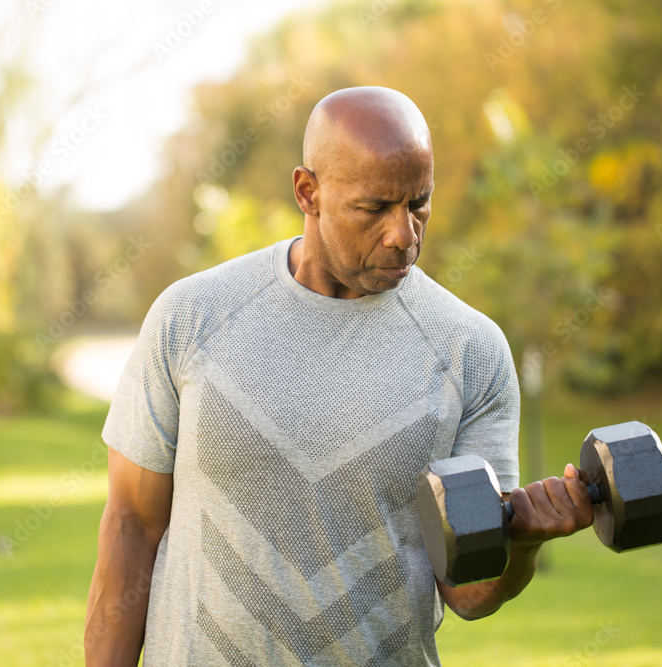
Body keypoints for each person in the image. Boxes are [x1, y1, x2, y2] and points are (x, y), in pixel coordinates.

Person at [85, 86, 594, 666]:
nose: (404, 234)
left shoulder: (470, 351)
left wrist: (523, 545)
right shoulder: (192, 317)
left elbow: (469, 591)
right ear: (309, 191)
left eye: (419, 203)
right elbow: (130, 526)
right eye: (375, 207)